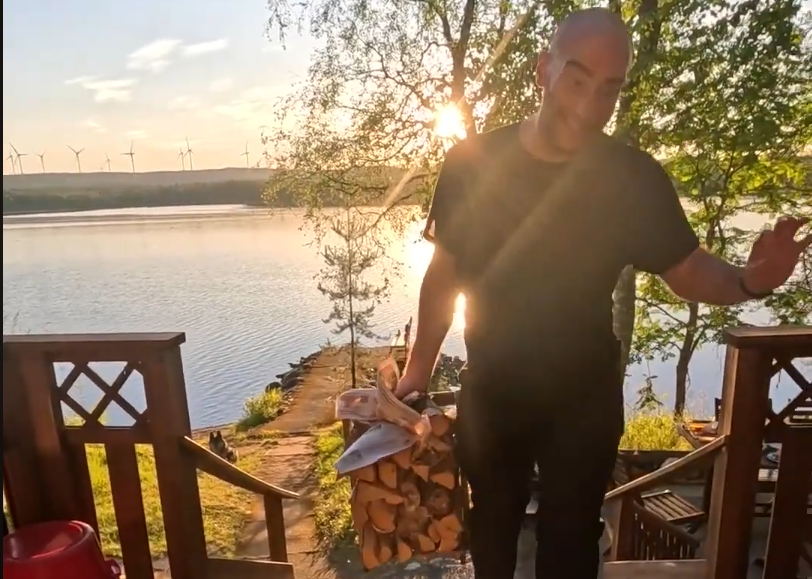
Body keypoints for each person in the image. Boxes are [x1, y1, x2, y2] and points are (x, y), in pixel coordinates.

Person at [393, 7, 811, 579]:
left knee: (570, 542)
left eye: (610, 88)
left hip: (583, 395)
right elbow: (445, 274)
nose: (591, 104)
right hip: (494, 386)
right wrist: (418, 371)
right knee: (491, 530)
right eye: (578, 78)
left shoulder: (631, 179)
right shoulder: (472, 163)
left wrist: (747, 280)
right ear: (543, 69)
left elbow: (685, 268)